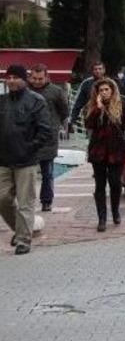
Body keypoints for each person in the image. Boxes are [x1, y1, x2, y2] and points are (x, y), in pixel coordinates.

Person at [0, 65, 53, 255]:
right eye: (9, 77)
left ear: (25, 80)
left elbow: (45, 130)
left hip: (26, 161)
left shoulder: (35, 101)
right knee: (2, 199)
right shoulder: (2, 102)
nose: (12, 80)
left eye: (16, 77)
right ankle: (20, 229)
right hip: (4, 161)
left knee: (25, 203)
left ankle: (23, 240)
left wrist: (29, 148)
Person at [83, 78, 125, 232]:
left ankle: (116, 211)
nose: (104, 92)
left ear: (112, 90)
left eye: (106, 89)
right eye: (101, 90)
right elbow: (89, 124)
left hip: (116, 149)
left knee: (115, 183)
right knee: (100, 185)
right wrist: (98, 108)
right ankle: (102, 219)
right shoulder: (92, 106)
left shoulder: (122, 104)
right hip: (98, 150)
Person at [27, 64, 70, 212]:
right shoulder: (25, 91)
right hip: (28, 137)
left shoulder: (56, 92)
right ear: (29, 77)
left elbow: (65, 111)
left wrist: (61, 126)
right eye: (34, 78)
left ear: (46, 77)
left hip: (48, 138)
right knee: (27, 174)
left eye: (40, 78)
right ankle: (28, 202)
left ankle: (46, 201)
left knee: (48, 173)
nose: (37, 81)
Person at [70, 60, 107, 128]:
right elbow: (78, 103)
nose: (98, 71)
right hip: (91, 119)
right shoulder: (86, 83)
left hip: (107, 119)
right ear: (92, 71)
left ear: (104, 70)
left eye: (100, 69)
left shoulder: (110, 83)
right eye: (95, 69)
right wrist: (72, 120)